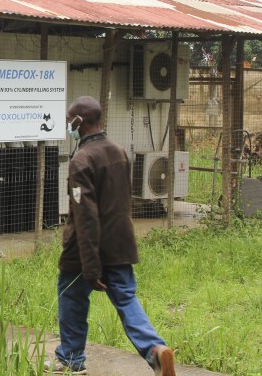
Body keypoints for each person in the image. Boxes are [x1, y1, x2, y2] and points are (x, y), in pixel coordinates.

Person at [46, 96, 176, 375]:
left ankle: (71, 359)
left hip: (85, 247)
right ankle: (155, 351)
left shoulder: (82, 159)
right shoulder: (118, 151)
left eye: (70, 120)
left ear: (79, 122)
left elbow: (86, 215)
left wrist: (91, 266)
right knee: (126, 299)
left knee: (71, 297)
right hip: (121, 242)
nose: (69, 124)